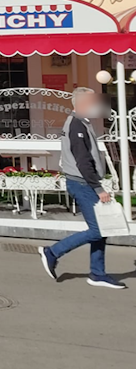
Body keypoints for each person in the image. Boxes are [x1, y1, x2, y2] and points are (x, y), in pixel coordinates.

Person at [39, 87, 126, 289]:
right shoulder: (76, 125)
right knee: (97, 229)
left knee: (101, 229)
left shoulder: (81, 123)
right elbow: (83, 161)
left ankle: (97, 273)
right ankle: (52, 252)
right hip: (82, 184)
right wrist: (98, 188)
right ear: (82, 104)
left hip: (84, 183)